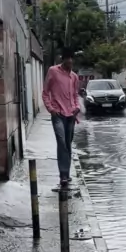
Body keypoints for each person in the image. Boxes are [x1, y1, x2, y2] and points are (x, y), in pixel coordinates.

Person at [42, 47, 80, 188]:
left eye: (71, 58)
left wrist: (77, 107)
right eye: (67, 58)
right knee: (61, 142)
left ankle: (67, 174)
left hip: (71, 115)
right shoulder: (53, 71)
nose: (69, 60)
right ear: (62, 59)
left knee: (68, 144)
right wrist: (51, 109)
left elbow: (75, 95)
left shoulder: (74, 77)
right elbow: (45, 92)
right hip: (58, 114)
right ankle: (63, 175)